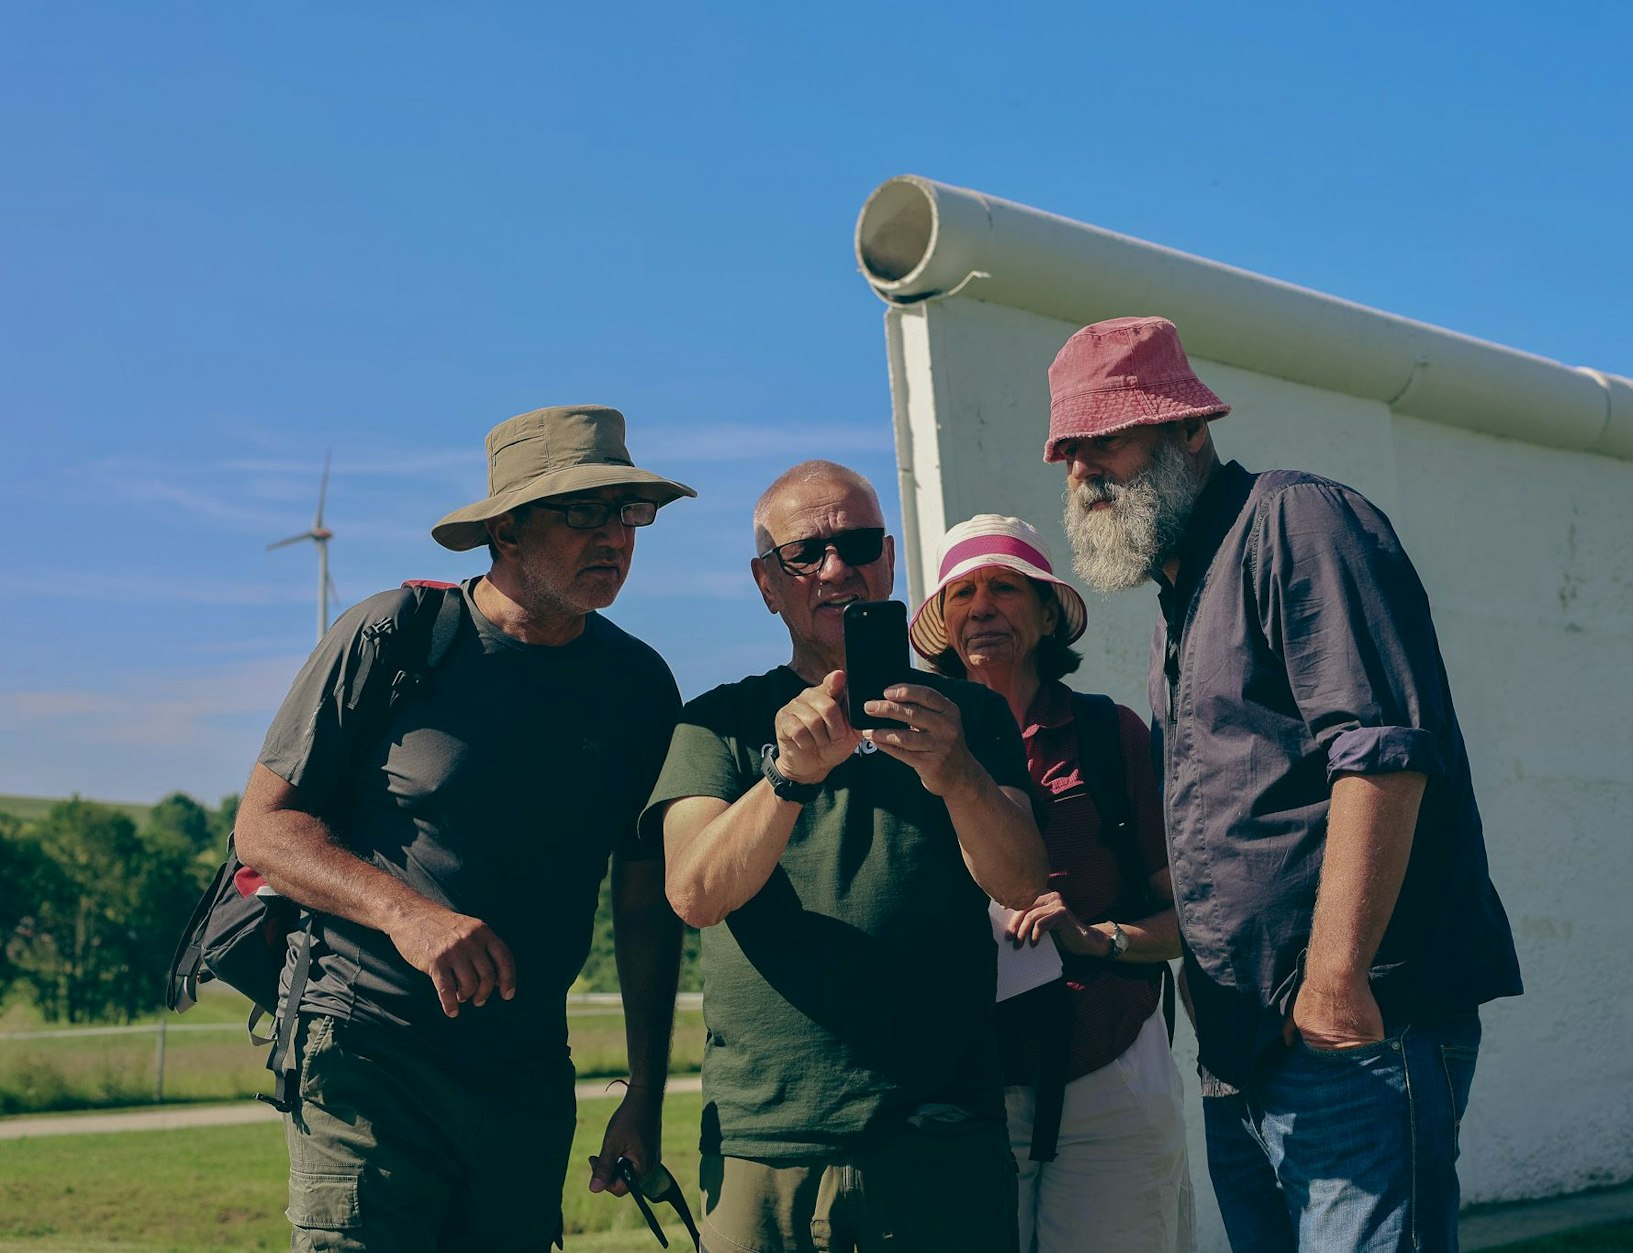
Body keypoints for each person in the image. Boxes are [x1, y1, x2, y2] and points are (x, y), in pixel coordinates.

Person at [1045, 317, 1524, 1253]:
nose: (1084, 471)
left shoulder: (1297, 521)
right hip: (1245, 1052)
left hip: (1351, 1035)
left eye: (1109, 438)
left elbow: (1383, 752)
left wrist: (1337, 982)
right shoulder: (1178, 604)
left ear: (1190, 429)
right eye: (1070, 449)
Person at [233, 404, 694, 1252]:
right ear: (507, 529)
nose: (616, 538)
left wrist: (644, 1091)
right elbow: (264, 833)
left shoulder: (636, 685)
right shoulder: (393, 637)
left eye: (629, 512)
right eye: (584, 511)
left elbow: (643, 902)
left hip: (525, 1078)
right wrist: (409, 914)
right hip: (367, 1057)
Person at [650, 460, 1049, 1253]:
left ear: (891, 561)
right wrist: (786, 777)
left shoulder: (967, 713)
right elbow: (694, 892)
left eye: (858, 543)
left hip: (941, 1137)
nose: (836, 568)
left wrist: (955, 770)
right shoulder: (716, 723)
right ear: (768, 583)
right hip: (767, 1142)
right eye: (805, 554)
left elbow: (1023, 878)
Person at [909, 512, 1195, 1253]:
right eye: (962, 592)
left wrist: (1100, 937)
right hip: (963, 1085)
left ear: (1044, 613)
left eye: (1005, 586)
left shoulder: (1110, 734)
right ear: (941, 622)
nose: (983, 607)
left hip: (1107, 1068)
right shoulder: (906, 748)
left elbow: (1190, 916)